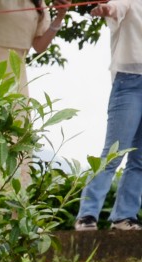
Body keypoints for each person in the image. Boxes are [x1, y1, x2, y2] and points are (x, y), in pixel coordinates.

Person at [77, 1, 142, 230]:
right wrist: (106, 9)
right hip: (130, 82)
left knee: (140, 159)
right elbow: (116, 7)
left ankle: (124, 217)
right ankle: (87, 215)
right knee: (114, 152)